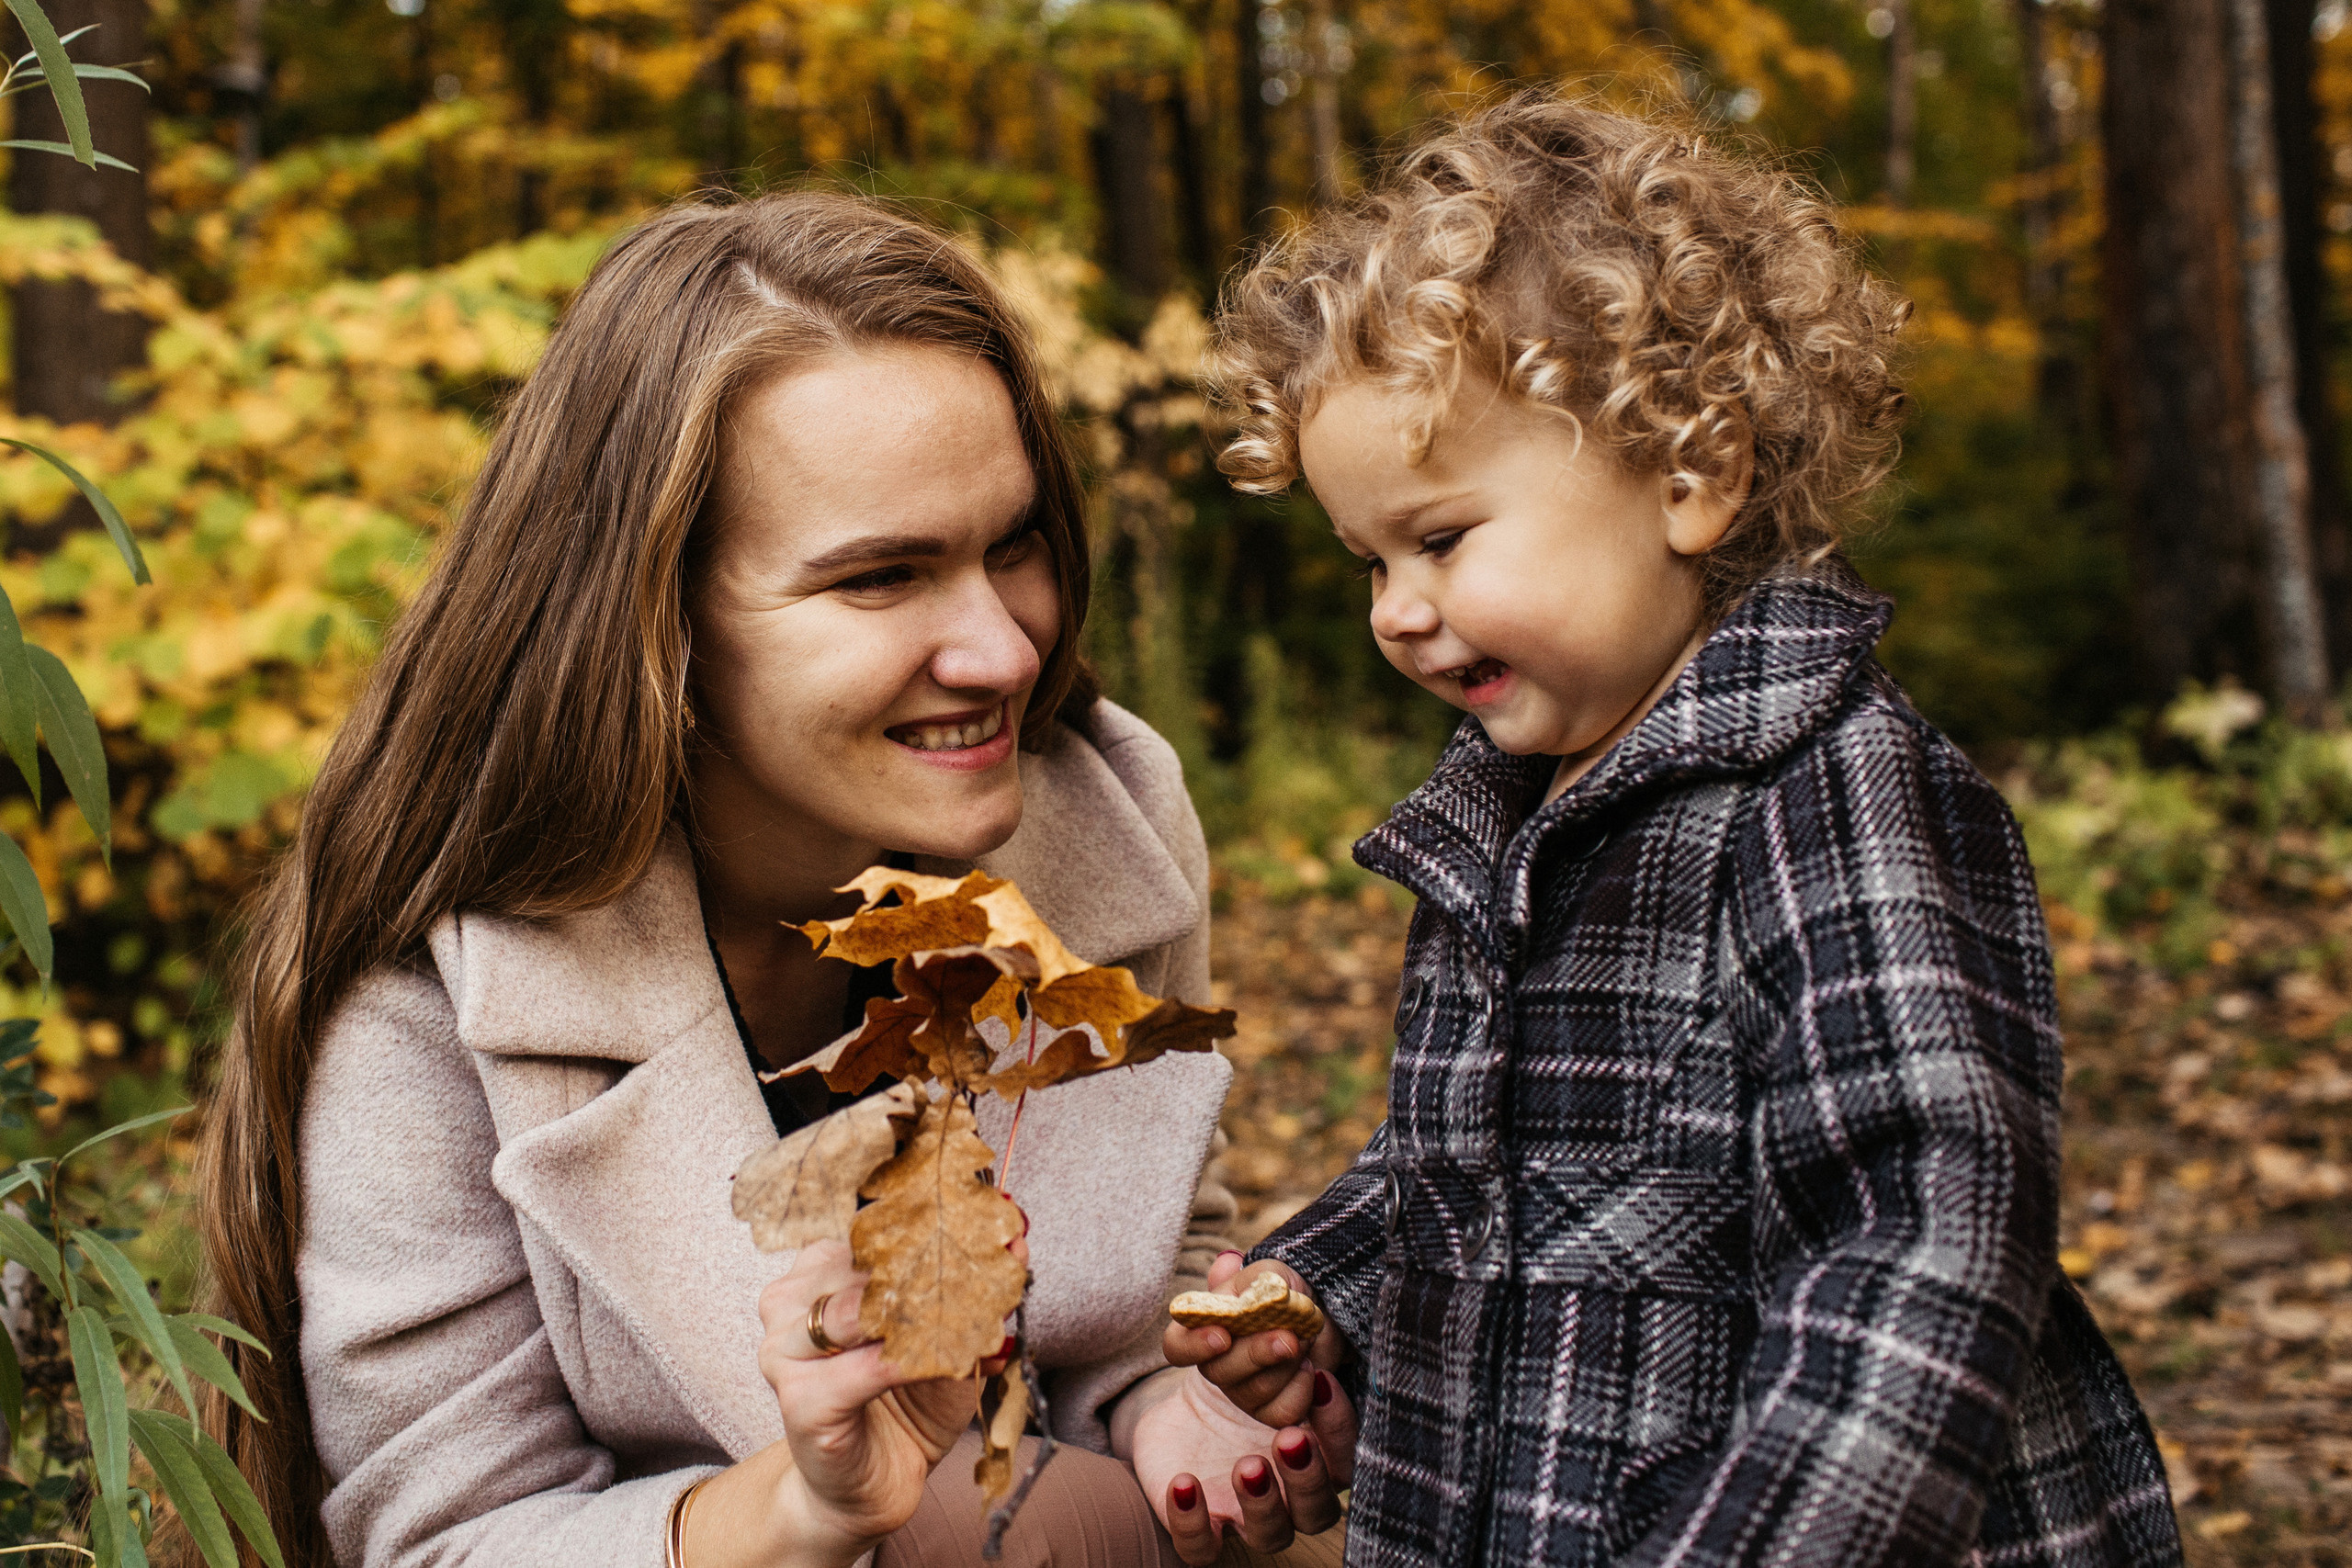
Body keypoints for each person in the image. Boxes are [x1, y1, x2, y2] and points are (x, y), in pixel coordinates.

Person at [192, 191, 1342, 1568]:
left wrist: (1182, 1408)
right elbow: (446, 1540)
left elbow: (1134, 1284)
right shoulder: (430, 997)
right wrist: (798, 1513)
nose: (1002, 649)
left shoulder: (1106, 818)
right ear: (653, 618)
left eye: (1012, 544)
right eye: (880, 578)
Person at [1149, 95, 2188, 1568]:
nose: (1396, 609)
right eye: (1367, 560)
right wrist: (1319, 1291)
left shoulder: (1832, 800)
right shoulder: (1507, 821)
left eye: (1441, 539)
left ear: (1690, 477)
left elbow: (1923, 1254)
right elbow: (1463, 1176)